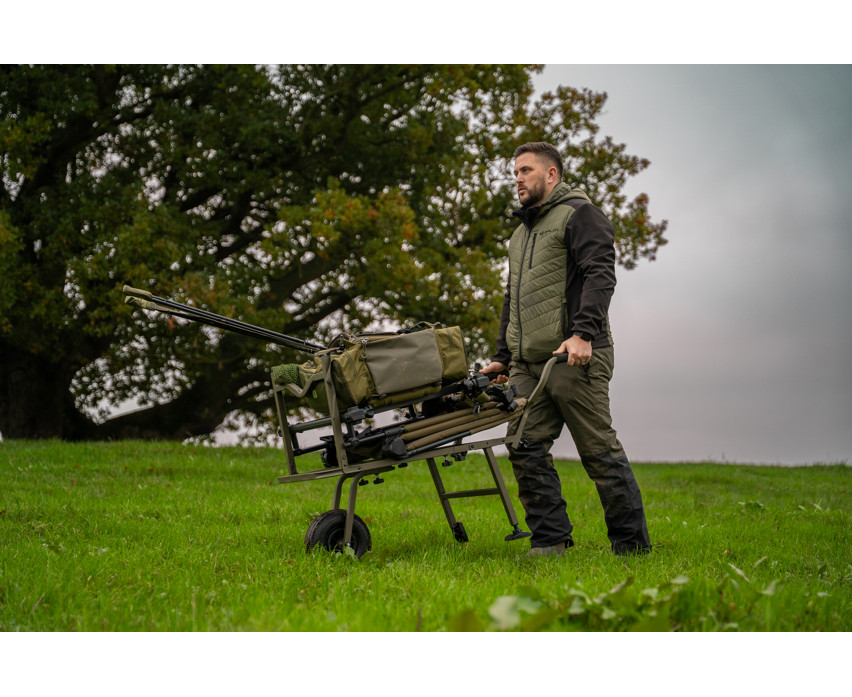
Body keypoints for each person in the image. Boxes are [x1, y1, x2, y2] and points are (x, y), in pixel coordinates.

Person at [481, 142, 651, 557]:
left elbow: (600, 274)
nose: (517, 179)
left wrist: (583, 334)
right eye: (515, 172)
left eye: (525, 170)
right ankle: (550, 539)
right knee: (523, 445)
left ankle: (631, 546)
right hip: (528, 364)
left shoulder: (580, 214)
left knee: (598, 451)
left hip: (573, 356)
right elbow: (513, 299)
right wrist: (503, 356)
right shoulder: (520, 234)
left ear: (551, 174)